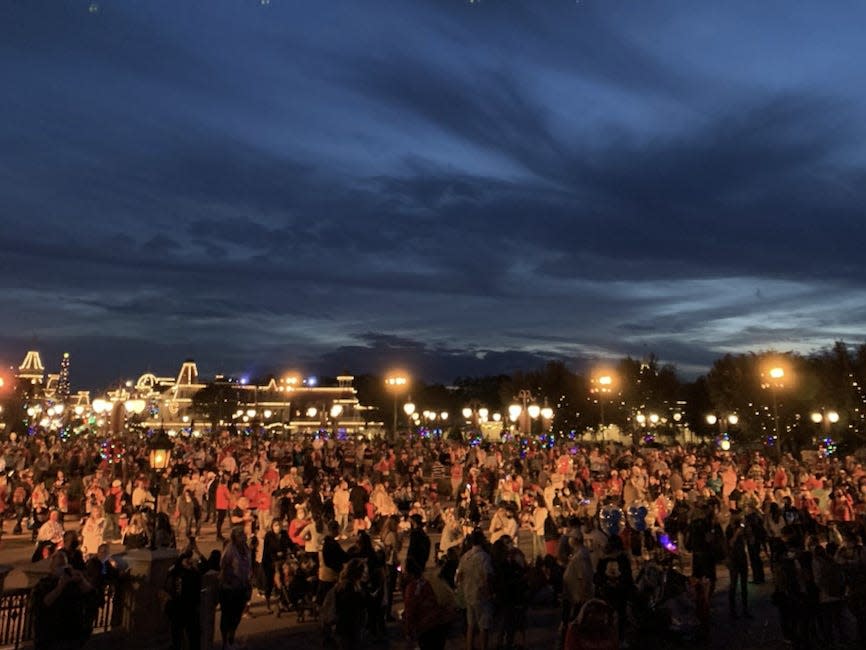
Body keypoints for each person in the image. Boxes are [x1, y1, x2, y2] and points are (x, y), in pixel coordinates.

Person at [32, 550, 95, 650]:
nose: (61, 569)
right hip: (51, 636)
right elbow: (43, 604)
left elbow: (92, 596)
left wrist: (81, 580)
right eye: (59, 565)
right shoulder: (45, 583)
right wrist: (60, 587)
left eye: (63, 565)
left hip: (73, 635)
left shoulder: (74, 582)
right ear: (52, 567)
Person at [456, 530, 494, 650]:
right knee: (484, 626)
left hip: (468, 594)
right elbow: (488, 576)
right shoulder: (484, 557)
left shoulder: (465, 556)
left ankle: (469, 646)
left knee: (470, 624)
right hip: (481, 595)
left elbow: (459, 576)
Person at [403, 557, 449, 650]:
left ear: (410, 573)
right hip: (439, 623)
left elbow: (410, 611)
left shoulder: (412, 588)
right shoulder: (427, 581)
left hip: (426, 627)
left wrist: (409, 632)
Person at [219, 528, 252, 650]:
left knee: (237, 615)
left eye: (243, 535)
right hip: (229, 587)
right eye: (239, 535)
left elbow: (248, 564)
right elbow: (223, 564)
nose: (242, 537)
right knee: (227, 615)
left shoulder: (246, 549)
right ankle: (225, 642)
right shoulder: (230, 549)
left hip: (242, 586)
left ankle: (231, 638)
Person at [165, 549, 203, 650]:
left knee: (193, 636)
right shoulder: (177, 571)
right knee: (178, 635)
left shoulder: (194, 572)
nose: (189, 561)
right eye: (187, 559)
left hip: (190, 608)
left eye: (190, 558)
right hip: (179, 607)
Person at [333, 558, 367, 650]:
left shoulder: (351, 585)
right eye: (363, 571)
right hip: (348, 625)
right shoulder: (348, 587)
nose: (365, 573)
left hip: (351, 624)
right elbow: (349, 607)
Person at [261, 519, 291, 612]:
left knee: (286, 580)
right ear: (272, 526)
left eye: (279, 525)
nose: (278, 527)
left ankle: (283, 602)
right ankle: (268, 604)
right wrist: (275, 555)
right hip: (270, 562)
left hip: (282, 561)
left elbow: (290, 544)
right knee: (269, 584)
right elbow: (267, 550)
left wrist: (296, 549)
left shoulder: (284, 534)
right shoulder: (269, 536)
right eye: (276, 525)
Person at [726, 513, 752, 618]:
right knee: (733, 584)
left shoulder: (741, 528)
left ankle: (745, 609)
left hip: (742, 557)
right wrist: (737, 533)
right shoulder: (729, 529)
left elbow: (750, 538)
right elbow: (730, 543)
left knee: (744, 585)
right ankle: (732, 610)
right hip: (734, 558)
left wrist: (746, 528)